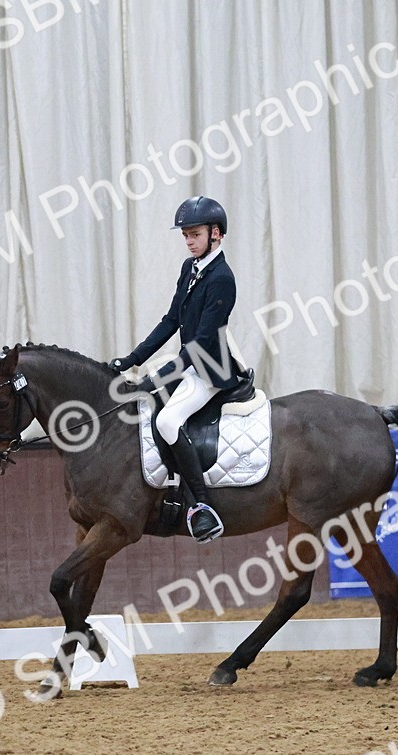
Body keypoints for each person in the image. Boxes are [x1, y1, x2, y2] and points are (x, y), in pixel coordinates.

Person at [108, 196, 244, 543]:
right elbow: (171, 320)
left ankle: (202, 506)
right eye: (185, 235)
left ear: (216, 234)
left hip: (211, 366)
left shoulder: (222, 279)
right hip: (190, 363)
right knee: (146, 411)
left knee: (168, 420)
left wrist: (156, 379)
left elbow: (199, 346)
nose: (189, 241)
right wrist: (132, 359)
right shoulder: (190, 268)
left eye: (194, 234)